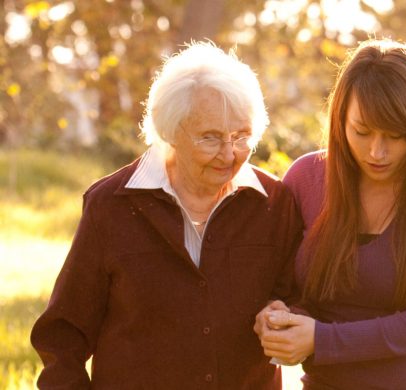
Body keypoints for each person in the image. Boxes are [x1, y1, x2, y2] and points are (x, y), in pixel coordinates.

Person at [30, 42, 303, 389]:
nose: (229, 153)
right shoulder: (110, 206)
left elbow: (300, 297)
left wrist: (283, 312)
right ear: (170, 130)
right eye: (210, 137)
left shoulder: (275, 204)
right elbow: (62, 336)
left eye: (241, 136)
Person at [254, 39, 406, 389]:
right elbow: (287, 286)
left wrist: (322, 339)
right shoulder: (306, 179)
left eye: (396, 136)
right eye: (361, 132)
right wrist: (280, 316)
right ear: (340, 119)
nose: (377, 151)